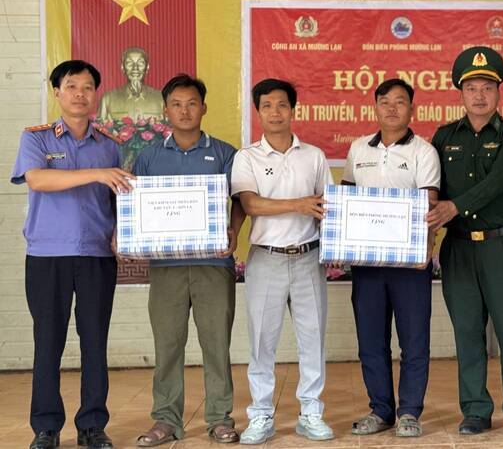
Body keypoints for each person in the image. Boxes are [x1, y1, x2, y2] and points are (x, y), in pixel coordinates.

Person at [11, 60, 134, 449]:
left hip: (97, 255)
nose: (80, 94)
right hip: (48, 255)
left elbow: (117, 200)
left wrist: (122, 232)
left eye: (87, 87)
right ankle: (46, 428)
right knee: (48, 342)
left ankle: (92, 425)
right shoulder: (37, 139)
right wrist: (97, 173)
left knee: (95, 341)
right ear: (57, 92)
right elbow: (37, 179)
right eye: (71, 86)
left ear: (96, 93)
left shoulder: (110, 146)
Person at [426, 46, 503, 436]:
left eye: (487, 88)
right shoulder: (443, 137)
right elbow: (430, 188)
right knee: (467, 332)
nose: (479, 96)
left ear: (499, 92)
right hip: (457, 248)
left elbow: (497, 183)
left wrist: (455, 206)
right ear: (460, 93)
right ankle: (475, 409)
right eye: (471, 88)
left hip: (501, 247)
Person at [132, 74, 244, 446]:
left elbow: (241, 199)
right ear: (165, 110)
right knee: (167, 346)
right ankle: (166, 420)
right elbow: (134, 205)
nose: (184, 111)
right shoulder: (148, 157)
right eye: (176, 104)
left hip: (213, 264)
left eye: (191, 103)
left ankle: (220, 419)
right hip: (166, 268)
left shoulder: (225, 153)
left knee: (217, 345)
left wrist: (233, 229)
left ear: (204, 108)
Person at [232, 79, 335, 444]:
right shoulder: (247, 158)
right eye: (267, 106)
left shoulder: (314, 156)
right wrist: (298, 205)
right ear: (257, 112)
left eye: (281, 105)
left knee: (312, 340)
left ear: (293, 110)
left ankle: (311, 413)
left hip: (308, 257)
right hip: (266, 259)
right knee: (262, 342)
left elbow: (328, 206)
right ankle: (261, 414)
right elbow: (250, 205)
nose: (275, 112)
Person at [343, 78, 441, 438]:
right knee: (371, 340)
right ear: (375, 107)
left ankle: (410, 411)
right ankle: (380, 410)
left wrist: (426, 249)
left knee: (414, 340)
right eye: (385, 101)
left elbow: (429, 204)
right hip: (367, 264)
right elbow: (347, 201)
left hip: (409, 264)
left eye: (400, 101)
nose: (392, 108)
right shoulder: (358, 149)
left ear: (412, 108)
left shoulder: (424, 152)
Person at [98, 47, 163, 121]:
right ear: (122, 67)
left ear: (147, 67)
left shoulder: (161, 98)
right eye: (129, 63)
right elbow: (99, 126)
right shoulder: (108, 99)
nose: (135, 68)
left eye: (140, 63)